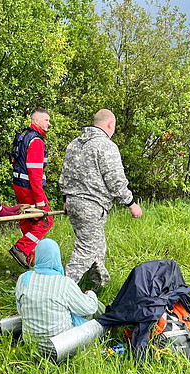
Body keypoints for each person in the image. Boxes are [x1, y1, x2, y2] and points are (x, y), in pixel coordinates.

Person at [59, 109, 142, 287]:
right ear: (110, 124)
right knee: (86, 249)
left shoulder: (74, 144)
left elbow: (66, 173)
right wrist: (131, 203)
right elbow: (116, 180)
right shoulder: (106, 146)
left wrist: (66, 198)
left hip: (73, 202)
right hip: (91, 205)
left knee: (97, 245)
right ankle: (62, 290)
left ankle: (100, 284)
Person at [15, 238, 103, 354]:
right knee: (96, 306)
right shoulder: (64, 283)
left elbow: (20, 310)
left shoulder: (23, 279)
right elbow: (90, 308)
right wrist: (91, 294)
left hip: (31, 344)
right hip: (60, 347)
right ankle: (111, 326)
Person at [9, 108, 54, 269]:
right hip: (29, 188)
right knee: (45, 221)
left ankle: (31, 258)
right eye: (46, 120)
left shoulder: (24, 136)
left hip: (19, 185)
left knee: (28, 221)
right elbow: (35, 173)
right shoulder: (37, 141)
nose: (49, 124)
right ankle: (20, 249)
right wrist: (40, 199)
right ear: (36, 121)